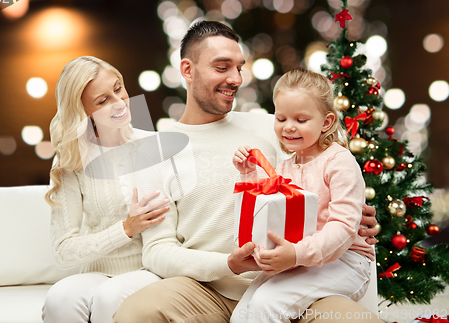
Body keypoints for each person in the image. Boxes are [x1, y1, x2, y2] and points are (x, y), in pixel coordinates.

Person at [114, 21, 380, 323]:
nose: (235, 79)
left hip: (299, 278)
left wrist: (360, 214)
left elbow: (329, 180)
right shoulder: (156, 152)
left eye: (240, 67)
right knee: (137, 311)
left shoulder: (279, 125)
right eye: (222, 67)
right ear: (187, 70)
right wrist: (228, 264)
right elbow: (157, 251)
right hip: (209, 291)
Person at [231, 67, 375, 322]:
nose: (289, 128)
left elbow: (343, 228)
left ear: (326, 122)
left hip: (346, 261)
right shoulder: (286, 166)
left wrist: (296, 255)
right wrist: (248, 173)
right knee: (242, 314)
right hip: (301, 258)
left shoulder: (339, 162)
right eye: (281, 118)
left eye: (300, 120)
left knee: (266, 305)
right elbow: (264, 205)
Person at [42, 56, 169, 323]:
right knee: (60, 298)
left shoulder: (153, 145)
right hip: (97, 271)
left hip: (147, 269)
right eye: (102, 101)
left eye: (118, 88)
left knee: (109, 296)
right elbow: (63, 251)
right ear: (83, 112)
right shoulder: (71, 159)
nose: (120, 102)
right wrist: (125, 229)